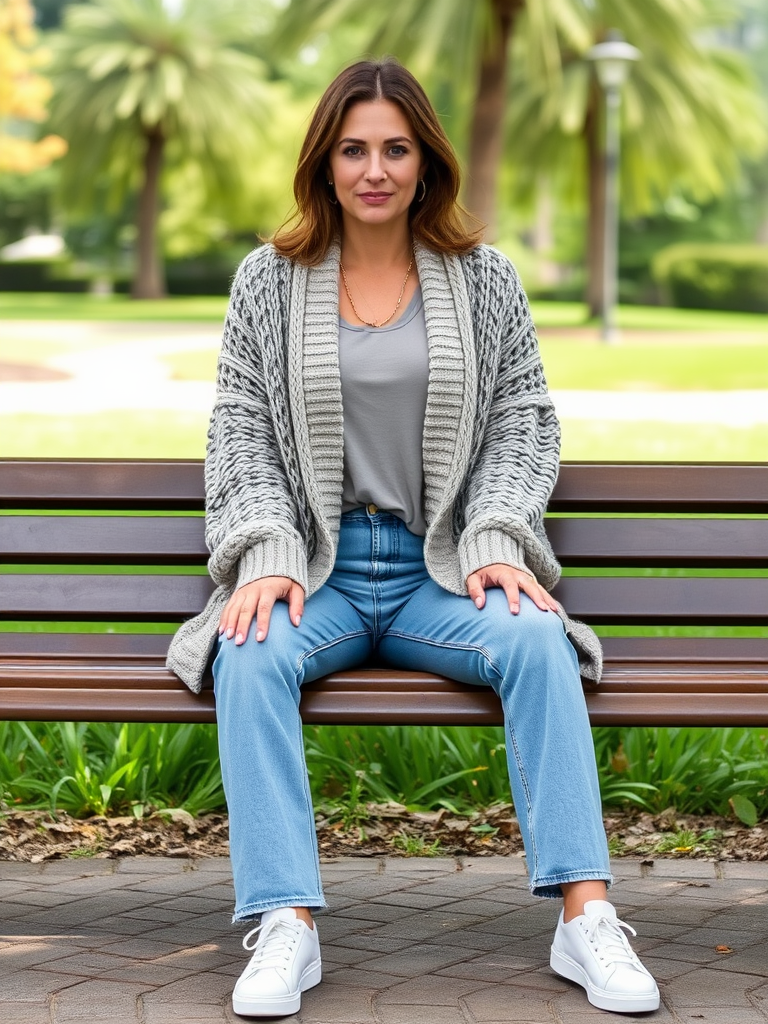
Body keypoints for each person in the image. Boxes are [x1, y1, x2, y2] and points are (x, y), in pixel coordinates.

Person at [167, 57, 660, 1018]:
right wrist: (266, 553)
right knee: (249, 652)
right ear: (325, 161)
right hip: (321, 575)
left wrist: (497, 534)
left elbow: (525, 415)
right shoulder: (268, 280)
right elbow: (239, 427)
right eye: (354, 149)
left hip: (444, 574)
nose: (375, 169)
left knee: (538, 642)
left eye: (395, 148)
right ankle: (286, 927)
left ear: (427, 162)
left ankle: (585, 916)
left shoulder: (484, 279)